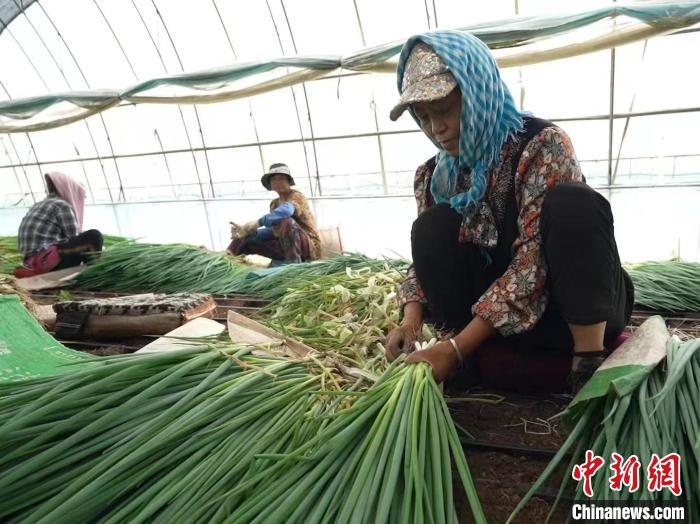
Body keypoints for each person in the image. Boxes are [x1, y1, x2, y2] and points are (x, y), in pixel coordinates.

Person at [384, 32, 634, 388]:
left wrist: (455, 348)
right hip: (502, 327)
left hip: (567, 314)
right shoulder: (434, 174)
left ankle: (587, 361)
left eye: (443, 110)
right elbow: (422, 262)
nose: (435, 128)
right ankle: (466, 354)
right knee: (431, 227)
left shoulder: (541, 145)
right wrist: (411, 321)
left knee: (573, 203)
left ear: (477, 91)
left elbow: (532, 263)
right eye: (422, 117)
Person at [227, 163, 321, 264]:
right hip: (285, 246)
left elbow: (286, 211)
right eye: (273, 179)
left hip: (308, 248)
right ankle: (225, 261)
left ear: (288, 181)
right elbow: (275, 231)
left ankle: (293, 264)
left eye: (281, 178)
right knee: (246, 238)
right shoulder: (274, 204)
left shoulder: (297, 196)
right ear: (270, 184)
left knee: (286, 221)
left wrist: (257, 223)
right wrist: (247, 231)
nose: (277, 182)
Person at [16, 172, 103, 276]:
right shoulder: (62, 205)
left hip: (31, 263)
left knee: (84, 241)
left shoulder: (40, 204)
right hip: (46, 263)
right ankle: (94, 276)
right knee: (94, 236)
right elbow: (74, 236)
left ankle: (88, 274)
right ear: (71, 191)